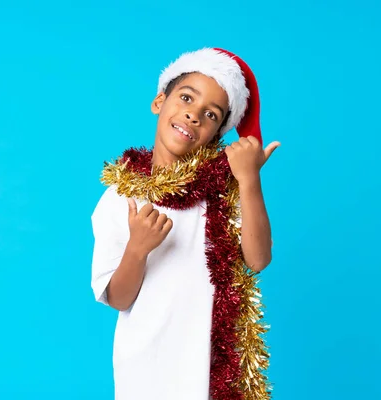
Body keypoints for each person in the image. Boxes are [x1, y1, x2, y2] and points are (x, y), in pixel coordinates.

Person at [91, 47, 279, 400]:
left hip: (213, 369)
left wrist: (249, 179)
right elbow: (117, 298)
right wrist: (137, 249)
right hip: (147, 371)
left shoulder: (222, 194)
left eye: (210, 114)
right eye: (186, 98)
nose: (193, 115)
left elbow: (257, 259)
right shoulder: (120, 197)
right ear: (159, 101)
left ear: (217, 134)